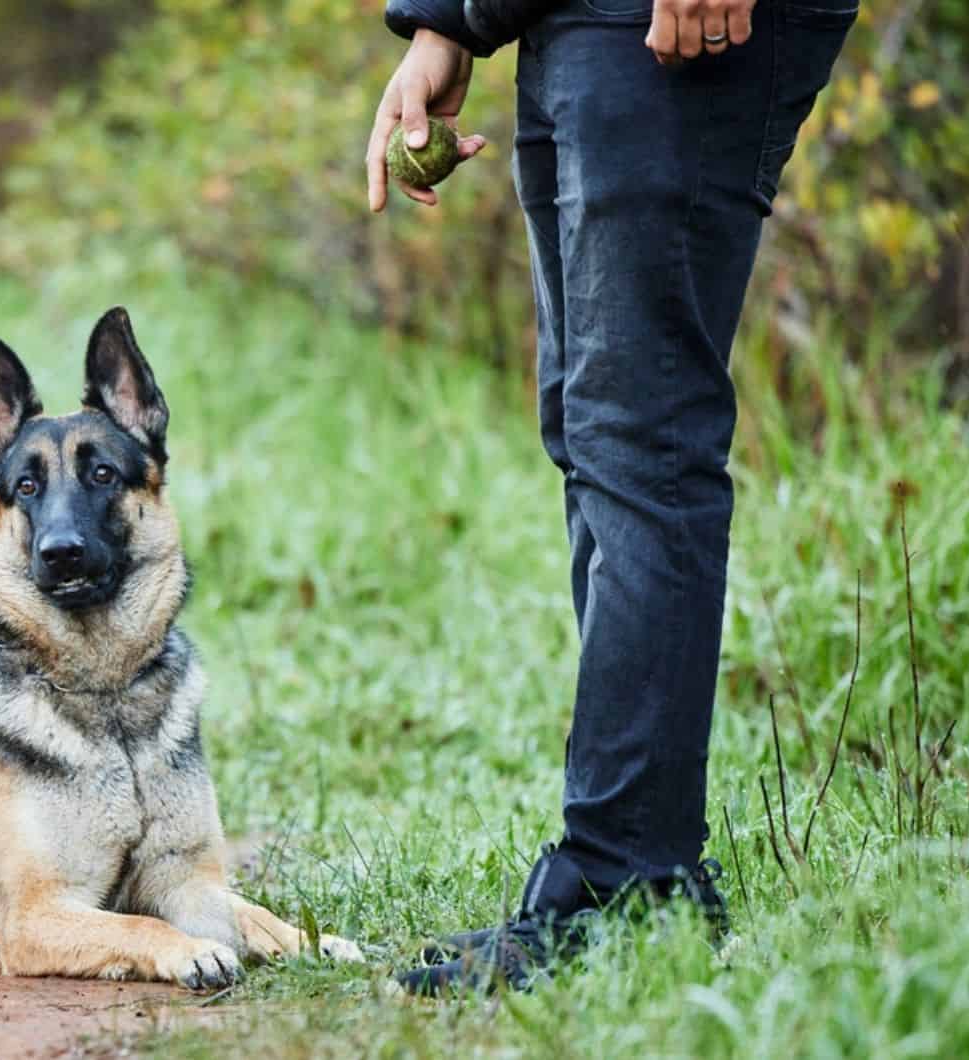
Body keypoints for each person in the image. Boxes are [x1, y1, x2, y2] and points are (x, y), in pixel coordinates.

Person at [365, 0, 856, 994]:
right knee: (594, 435)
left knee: (640, 441)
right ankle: (640, 873)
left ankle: (625, 880)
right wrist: (446, 24)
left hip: (675, 22)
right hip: (569, 19)